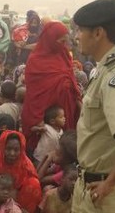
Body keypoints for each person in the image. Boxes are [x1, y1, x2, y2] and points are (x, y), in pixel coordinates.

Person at [71, 0, 115, 213]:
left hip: (106, 195)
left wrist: (109, 184)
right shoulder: (103, 68)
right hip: (91, 187)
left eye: (80, 30)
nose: (76, 36)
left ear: (98, 33)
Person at [22, 21, 81, 152]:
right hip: (46, 117)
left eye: (66, 41)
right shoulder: (35, 60)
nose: (64, 45)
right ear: (50, 40)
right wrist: (37, 119)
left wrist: (76, 98)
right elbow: (34, 93)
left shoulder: (64, 54)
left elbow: (71, 78)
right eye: (61, 41)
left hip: (66, 111)